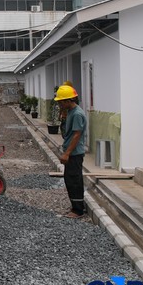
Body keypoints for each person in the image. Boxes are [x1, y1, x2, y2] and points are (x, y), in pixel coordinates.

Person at [56, 84, 88, 219]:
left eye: (61, 102)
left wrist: (67, 153)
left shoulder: (77, 114)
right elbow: (67, 132)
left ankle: (78, 210)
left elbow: (76, 135)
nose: (60, 104)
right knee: (70, 179)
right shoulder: (70, 112)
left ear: (69, 100)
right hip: (71, 152)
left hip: (74, 153)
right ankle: (76, 206)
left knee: (74, 180)